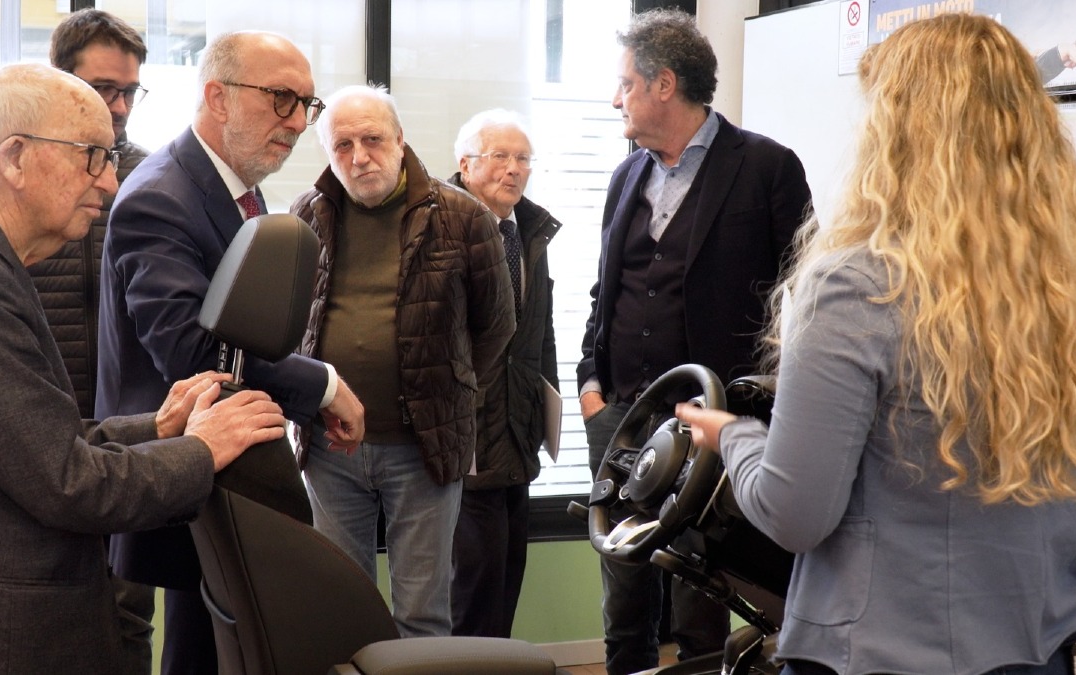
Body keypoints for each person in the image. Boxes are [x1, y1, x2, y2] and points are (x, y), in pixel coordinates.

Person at [676, 13, 1076, 675]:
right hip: (1041, 648)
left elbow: (795, 511)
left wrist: (732, 436)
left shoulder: (859, 285)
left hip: (885, 651)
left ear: (898, 134)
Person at [0, 62, 285, 675]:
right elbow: (67, 483)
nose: (111, 181)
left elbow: (43, 441)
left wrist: (160, 427)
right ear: (14, 157)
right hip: (6, 637)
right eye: (93, 155)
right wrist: (202, 450)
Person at [96, 31, 365, 675]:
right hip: (186, 470)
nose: (299, 122)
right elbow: (195, 349)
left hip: (222, 471)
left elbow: (248, 328)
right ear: (216, 96)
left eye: (307, 104)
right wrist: (322, 385)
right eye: (280, 100)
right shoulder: (162, 197)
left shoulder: (234, 188)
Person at [576, 8, 812, 674]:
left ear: (664, 84)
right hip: (623, 415)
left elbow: (812, 291)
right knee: (623, 590)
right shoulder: (627, 176)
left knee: (702, 595)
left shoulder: (767, 167)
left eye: (624, 83)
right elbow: (607, 289)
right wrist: (592, 384)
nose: (614, 98)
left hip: (716, 422)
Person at [290, 84, 515, 637]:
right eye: (342, 145)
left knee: (422, 615)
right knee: (343, 608)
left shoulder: (464, 218)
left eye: (372, 139)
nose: (359, 156)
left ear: (400, 140)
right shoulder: (306, 216)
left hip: (424, 450)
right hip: (330, 447)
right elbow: (292, 326)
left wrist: (445, 392)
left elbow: (496, 327)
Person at [447, 109, 562, 638]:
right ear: (465, 164)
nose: (513, 169)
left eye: (522, 159)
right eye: (500, 157)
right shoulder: (441, 227)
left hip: (518, 434)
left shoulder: (529, 231)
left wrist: (547, 414)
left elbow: (540, 337)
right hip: (464, 443)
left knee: (506, 580)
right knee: (473, 590)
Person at [28, 8, 151, 421]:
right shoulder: (21, 173)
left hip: (131, 416)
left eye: (130, 91)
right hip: (40, 404)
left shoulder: (154, 180)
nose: (119, 107)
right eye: (103, 89)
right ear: (61, 80)